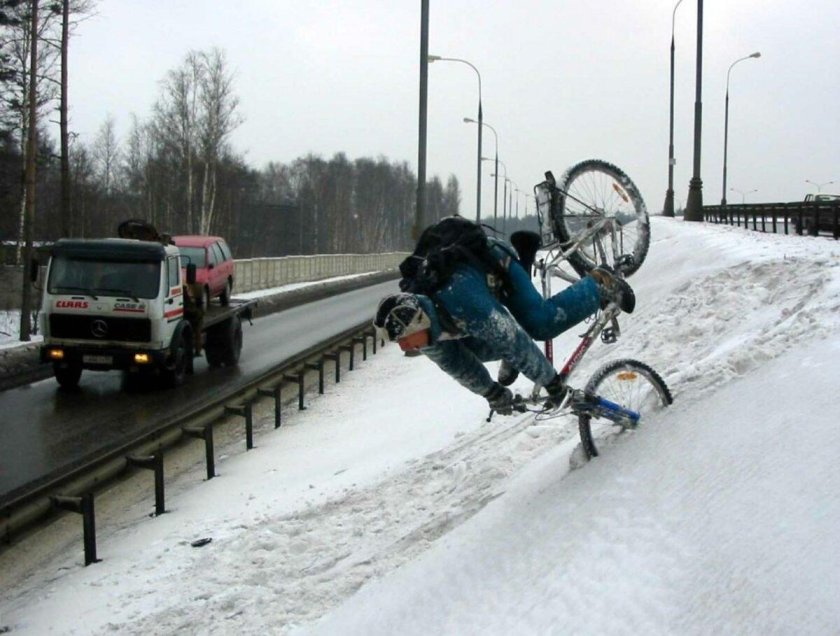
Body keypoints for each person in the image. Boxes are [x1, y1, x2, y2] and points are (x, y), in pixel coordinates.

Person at [373, 219, 634, 415]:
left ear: (417, 321)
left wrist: (553, 385)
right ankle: (512, 361)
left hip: (496, 265)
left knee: (540, 323)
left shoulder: (462, 301)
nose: (404, 346)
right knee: (474, 349)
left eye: (404, 338)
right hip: (476, 295)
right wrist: (491, 393)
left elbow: (513, 341)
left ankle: (600, 284)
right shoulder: (427, 334)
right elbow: (458, 365)